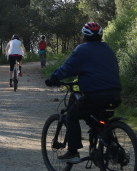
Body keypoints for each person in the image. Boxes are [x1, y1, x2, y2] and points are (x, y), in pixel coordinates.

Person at [45, 22, 122, 163]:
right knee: (97, 118)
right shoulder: (108, 49)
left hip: (95, 95)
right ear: (101, 36)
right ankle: (111, 146)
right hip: (115, 94)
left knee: (72, 115)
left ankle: (73, 152)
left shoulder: (82, 50)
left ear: (84, 37)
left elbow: (66, 69)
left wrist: (53, 78)